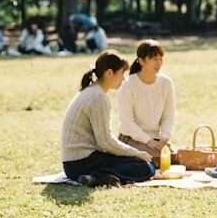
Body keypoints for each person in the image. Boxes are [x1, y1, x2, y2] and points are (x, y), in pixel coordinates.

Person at [60, 50, 156, 186]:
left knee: (138, 162)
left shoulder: (92, 91)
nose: (124, 79)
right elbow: (105, 142)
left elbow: (104, 142)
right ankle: (96, 175)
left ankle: (96, 177)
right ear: (109, 73)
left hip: (75, 164)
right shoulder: (98, 97)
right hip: (81, 163)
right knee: (146, 167)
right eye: (122, 73)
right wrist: (137, 153)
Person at [117, 40, 176, 158]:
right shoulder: (127, 85)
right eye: (154, 59)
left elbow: (169, 116)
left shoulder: (166, 83)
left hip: (157, 140)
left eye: (161, 59)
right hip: (131, 139)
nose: (158, 63)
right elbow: (127, 123)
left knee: (175, 158)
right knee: (153, 160)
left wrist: (164, 138)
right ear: (141, 61)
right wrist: (148, 141)